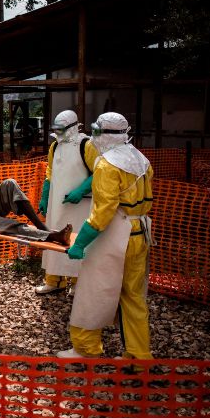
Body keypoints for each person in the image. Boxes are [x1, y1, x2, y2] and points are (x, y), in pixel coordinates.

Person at [57, 112, 154, 360]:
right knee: (133, 296)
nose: (93, 137)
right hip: (140, 233)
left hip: (114, 235)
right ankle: (139, 355)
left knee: (93, 291)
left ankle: (86, 348)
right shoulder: (141, 159)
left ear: (105, 135)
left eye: (96, 132)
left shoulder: (107, 164)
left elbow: (103, 213)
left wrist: (79, 244)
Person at [35, 110, 99, 296]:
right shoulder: (54, 147)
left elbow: (100, 171)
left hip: (81, 207)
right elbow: (50, 173)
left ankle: (79, 283)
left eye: (62, 129)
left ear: (73, 127)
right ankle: (54, 281)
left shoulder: (87, 145)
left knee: (78, 240)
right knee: (54, 238)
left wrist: (81, 190)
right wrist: (45, 197)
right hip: (57, 205)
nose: (59, 132)